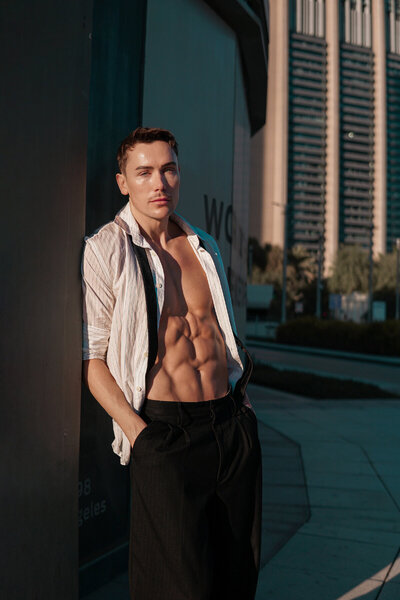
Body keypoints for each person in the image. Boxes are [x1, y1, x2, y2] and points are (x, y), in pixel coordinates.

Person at [81, 127, 261, 600]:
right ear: (123, 182)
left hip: (229, 425)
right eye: (144, 172)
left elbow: (221, 333)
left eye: (168, 170)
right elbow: (92, 359)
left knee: (236, 574)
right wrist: (140, 435)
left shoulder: (204, 245)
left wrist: (244, 408)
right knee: (176, 585)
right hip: (165, 432)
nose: (159, 182)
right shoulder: (107, 248)